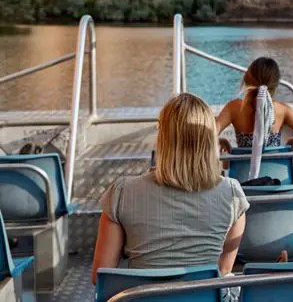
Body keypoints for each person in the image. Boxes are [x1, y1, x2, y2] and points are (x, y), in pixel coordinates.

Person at [92, 93, 249, 284]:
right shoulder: (232, 194)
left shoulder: (122, 192)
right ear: (209, 140)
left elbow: (101, 277)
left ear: (163, 138)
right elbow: (223, 271)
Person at [216, 58, 293, 168]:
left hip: (243, 182)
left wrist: (222, 142)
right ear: (275, 84)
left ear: (247, 79)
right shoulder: (283, 110)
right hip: (278, 181)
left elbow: (207, 136)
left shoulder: (234, 108)